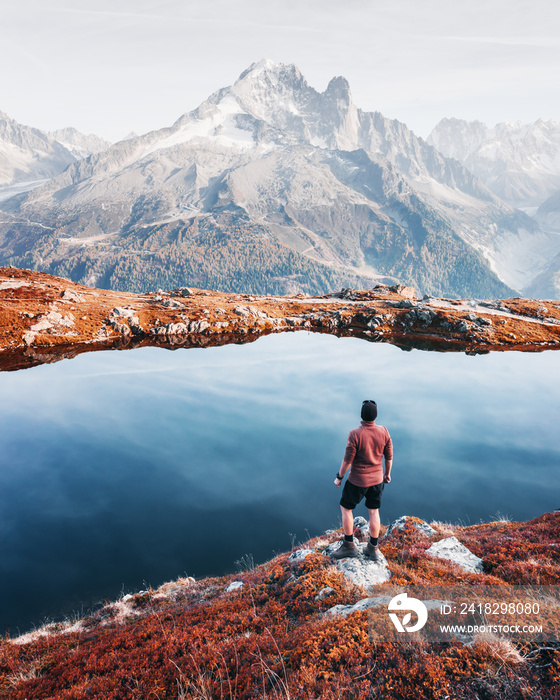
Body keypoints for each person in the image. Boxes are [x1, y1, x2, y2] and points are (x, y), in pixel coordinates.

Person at [331, 400, 393, 561]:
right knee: (374, 511)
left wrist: (339, 477)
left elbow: (347, 461)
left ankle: (349, 546)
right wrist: (387, 474)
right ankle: (372, 548)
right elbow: (389, 456)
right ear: (375, 415)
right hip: (377, 480)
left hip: (358, 481)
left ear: (361, 415)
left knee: (346, 508)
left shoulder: (355, 434)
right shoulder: (384, 431)